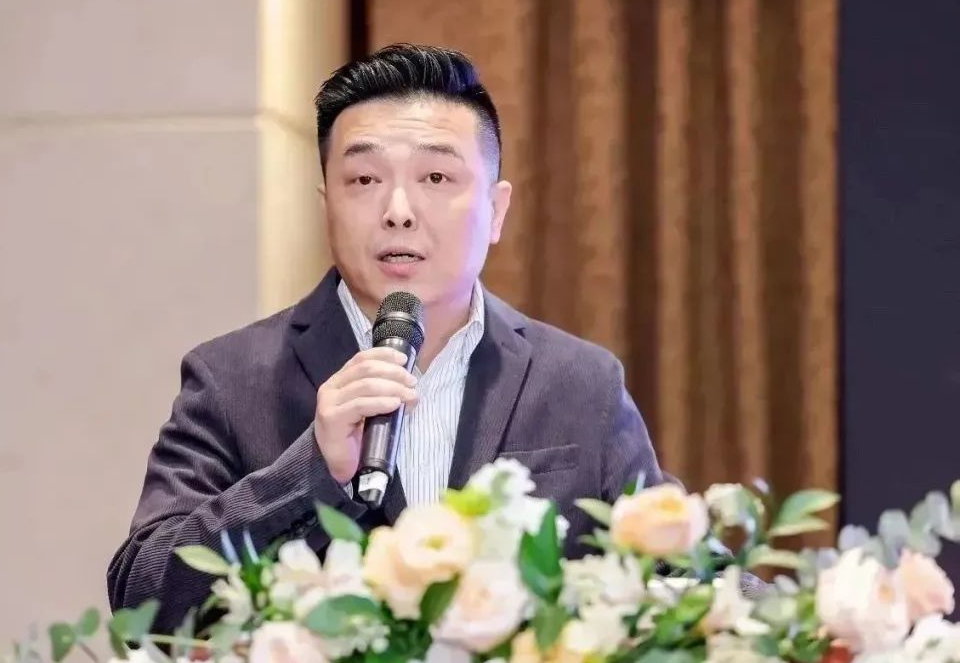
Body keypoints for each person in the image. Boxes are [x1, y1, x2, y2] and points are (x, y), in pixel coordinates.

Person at [107, 44, 670, 631]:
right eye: (364, 179)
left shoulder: (582, 384)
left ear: (496, 209)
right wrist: (308, 472)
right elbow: (141, 599)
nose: (399, 210)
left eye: (436, 177)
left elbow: (682, 584)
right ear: (327, 204)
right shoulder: (231, 378)